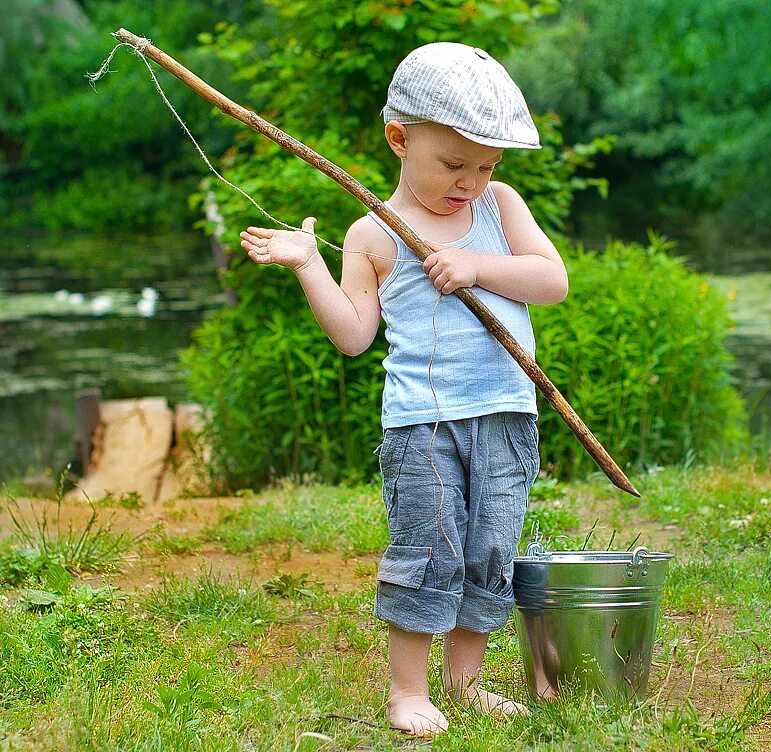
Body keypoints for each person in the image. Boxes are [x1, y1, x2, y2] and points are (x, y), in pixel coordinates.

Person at [239, 42, 567, 737]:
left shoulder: (499, 209)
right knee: (429, 548)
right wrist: (308, 266)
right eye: (453, 164)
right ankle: (407, 691)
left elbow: (551, 280)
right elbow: (354, 335)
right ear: (399, 137)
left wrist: (477, 264)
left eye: (485, 165)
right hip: (423, 424)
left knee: (489, 549)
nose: (470, 182)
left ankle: (466, 681)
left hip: (507, 413)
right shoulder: (373, 234)